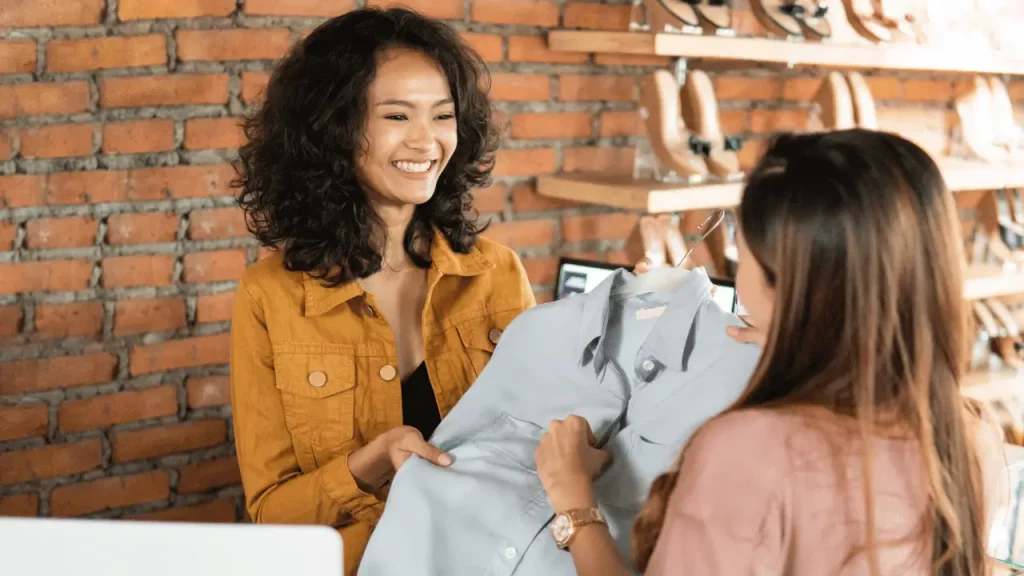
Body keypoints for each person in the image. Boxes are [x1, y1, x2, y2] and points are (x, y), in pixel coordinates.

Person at [534, 129, 1005, 575]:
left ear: (789, 285)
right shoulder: (969, 441)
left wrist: (572, 499)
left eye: (744, 252)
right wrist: (804, 340)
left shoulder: (751, 452)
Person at [229, 7, 534, 574]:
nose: (427, 141)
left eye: (443, 116)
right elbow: (272, 513)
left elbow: (542, 450)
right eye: (397, 115)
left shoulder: (497, 275)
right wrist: (369, 464)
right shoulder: (268, 297)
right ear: (333, 127)